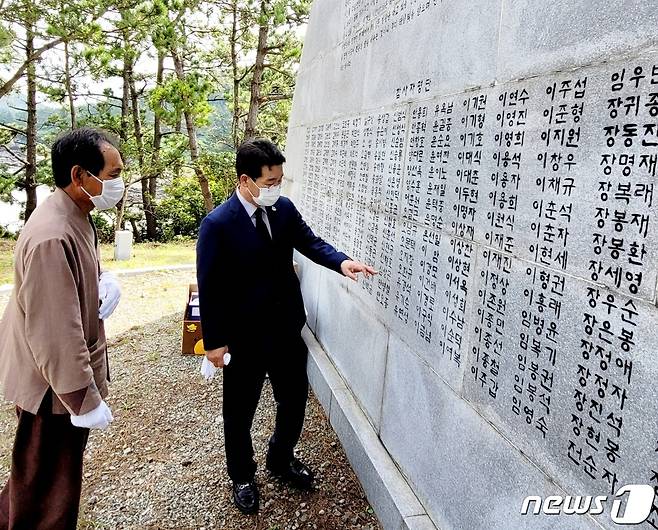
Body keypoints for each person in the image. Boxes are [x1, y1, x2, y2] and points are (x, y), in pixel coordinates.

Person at [196, 138, 376, 515]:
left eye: (279, 180)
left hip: (286, 328)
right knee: (239, 411)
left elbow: (309, 242)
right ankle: (242, 475)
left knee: (293, 401)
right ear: (246, 180)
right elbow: (210, 285)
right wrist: (214, 341)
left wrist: (342, 262)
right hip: (245, 337)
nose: (276, 188)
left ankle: (280, 457)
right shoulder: (217, 225)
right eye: (270, 181)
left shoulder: (283, 208)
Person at [0, 128, 124, 529]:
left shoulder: (74, 212)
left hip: (54, 385)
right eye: (112, 173)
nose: (118, 183)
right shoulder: (52, 235)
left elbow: (73, 285)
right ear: (79, 175)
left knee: (36, 475)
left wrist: (101, 283)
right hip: (50, 391)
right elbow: (56, 334)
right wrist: (83, 400)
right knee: (47, 491)